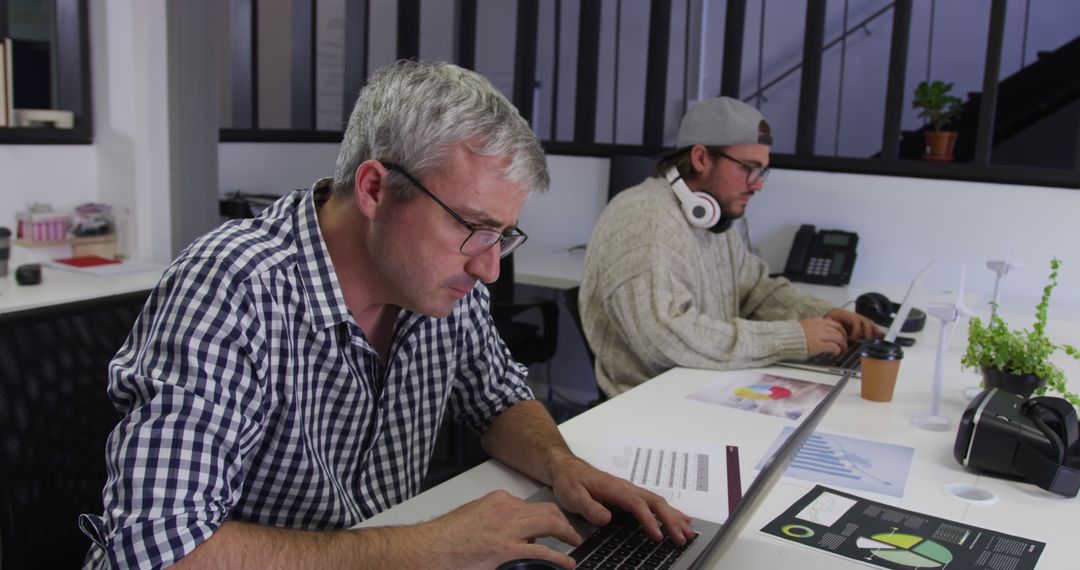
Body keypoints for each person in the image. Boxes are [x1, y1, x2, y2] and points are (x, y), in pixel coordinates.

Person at [80, 60, 693, 569]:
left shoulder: (441, 285)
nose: (489, 270)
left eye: (503, 236)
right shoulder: (234, 288)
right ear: (374, 189)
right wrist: (429, 546)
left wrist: (564, 466)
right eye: (474, 228)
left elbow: (498, 397)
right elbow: (153, 548)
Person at [579, 96, 880, 397]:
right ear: (700, 158)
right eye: (749, 168)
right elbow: (667, 340)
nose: (757, 184)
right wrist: (790, 338)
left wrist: (823, 315)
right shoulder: (645, 218)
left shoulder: (713, 218)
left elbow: (755, 292)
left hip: (704, 388)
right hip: (653, 408)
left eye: (762, 171)